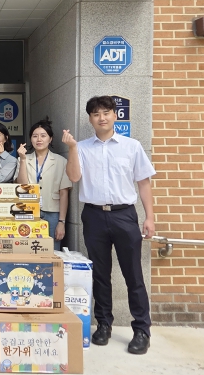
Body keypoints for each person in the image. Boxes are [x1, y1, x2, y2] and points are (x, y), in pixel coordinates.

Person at [62, 96, 156, 355]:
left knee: (133, 274)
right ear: (90, 119)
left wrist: (149, 217)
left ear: (115, 115)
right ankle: (104, 324)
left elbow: (143, 182)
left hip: (124, 215)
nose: (101, 118)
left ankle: (142, 330)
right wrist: (72, 148)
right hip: (93, 216)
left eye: (106, 112)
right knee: (101, 275)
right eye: (96, 114)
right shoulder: (81, 147)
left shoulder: (131, 146)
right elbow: (74, 177)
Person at [15, 117, 72, 251]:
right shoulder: (23, 159)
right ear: (30, 139)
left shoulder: (61, 161)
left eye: (43, 136)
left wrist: (61, 222)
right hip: (27, 211)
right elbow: (22, 186)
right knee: (27, 250)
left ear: (50, 139)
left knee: (52, 250)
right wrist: (22, 160)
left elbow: (64, 193)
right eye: (35, 136)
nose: (39, 139)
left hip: (52, 213)